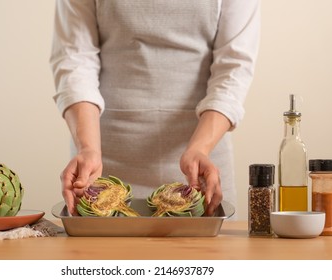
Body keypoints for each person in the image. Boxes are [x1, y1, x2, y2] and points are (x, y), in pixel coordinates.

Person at [49, 0, 260, 217]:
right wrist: (88, 148)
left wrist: (200, 149)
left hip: (202, 168)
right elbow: (75, 60)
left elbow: (234, 66)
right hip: (102, 165)